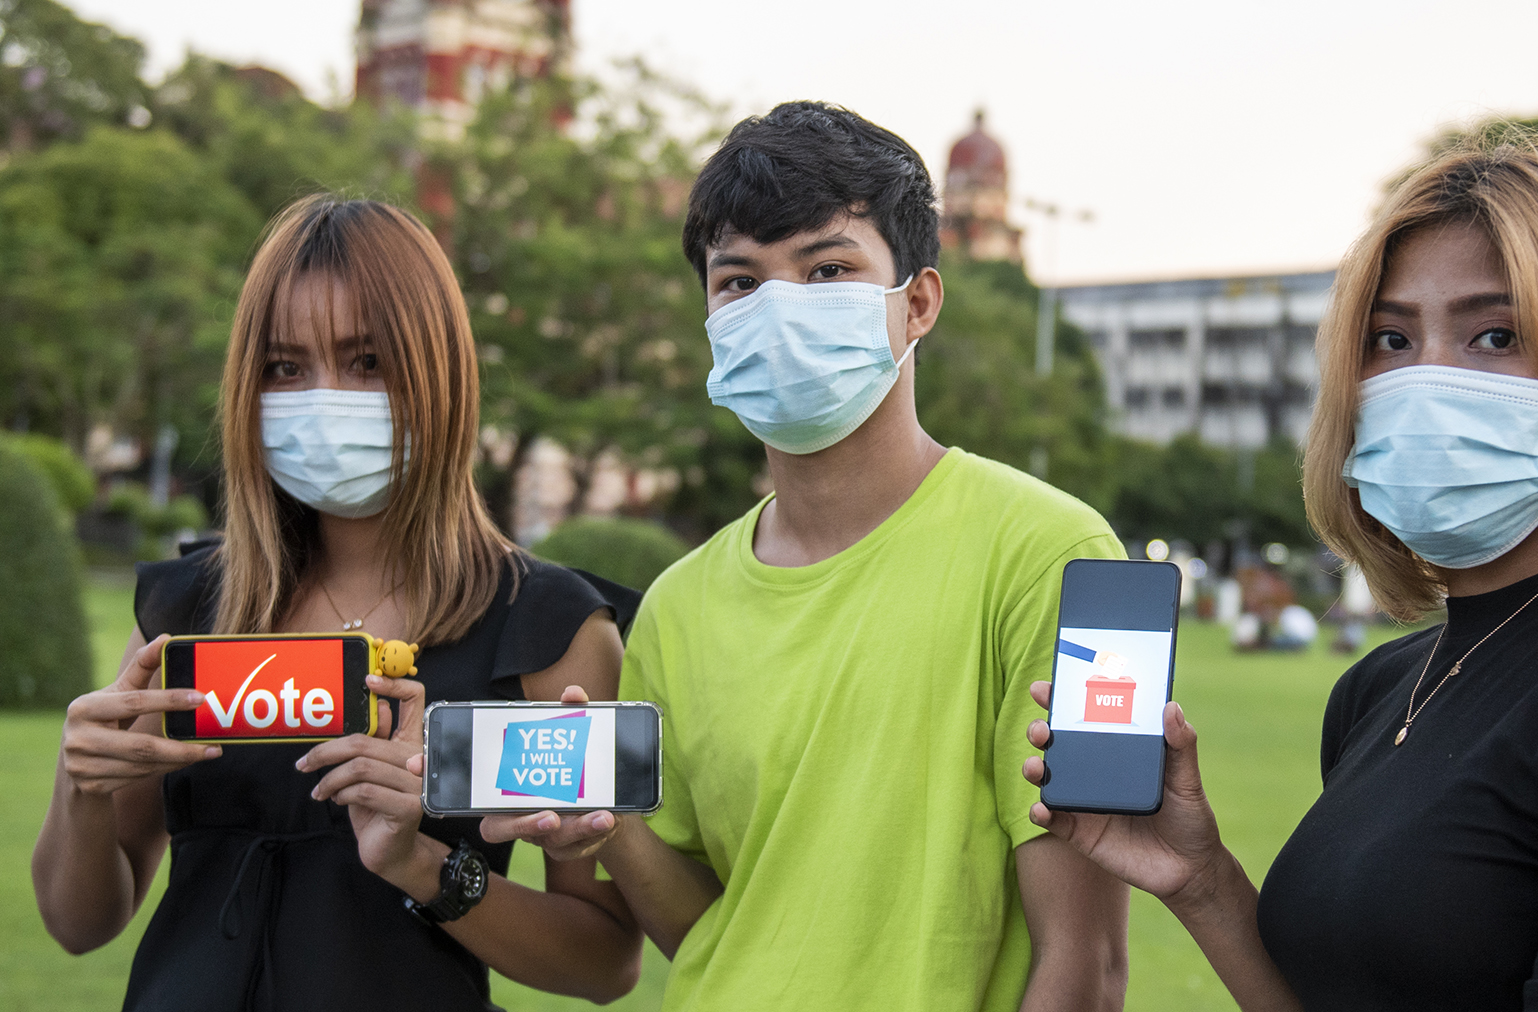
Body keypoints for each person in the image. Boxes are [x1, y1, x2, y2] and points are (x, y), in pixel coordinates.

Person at [1020, 130, 1538, 1012]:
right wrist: (1200, 880)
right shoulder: (1378, 687)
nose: (1428, 380)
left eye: (1496, 335)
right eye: (1390, 337)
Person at [482, 101, 1130, 1011]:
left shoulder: (1062, 558)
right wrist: (605, 827)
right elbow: (712, 931)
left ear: (918, 304)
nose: (780, 308)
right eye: (739, 282)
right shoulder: (675, 604)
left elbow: (1085, 966)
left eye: (828, 269)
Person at [32, 196, 646, 1010]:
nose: (325, 400)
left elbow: (604, 963)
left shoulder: (551, 632)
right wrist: (82, 788)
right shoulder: (186, 610)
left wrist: (419, 864)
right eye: (286, 368)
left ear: (441, 372)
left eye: (366, 361)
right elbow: (80, 924)